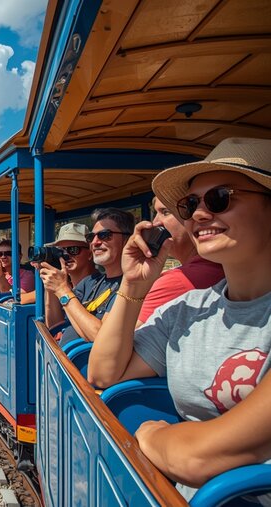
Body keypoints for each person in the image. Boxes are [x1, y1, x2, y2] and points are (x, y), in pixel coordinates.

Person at [87, 138, 271, 499]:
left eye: (220, 198)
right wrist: (134, 285)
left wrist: (151, 436)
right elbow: (104, 372)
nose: (199, 215)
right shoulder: (189, 309)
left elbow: (197, 459)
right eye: (189, 205)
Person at [43, 209, 134, 346]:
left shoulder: (130, 286)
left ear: (127, 240)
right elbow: (57, 325)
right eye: (92, 237)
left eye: (104, 235)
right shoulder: (90, 283)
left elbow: (101, 337)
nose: (95, 242)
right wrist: (52, 285)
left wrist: (62, 289)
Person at [134, 196, 225, 325]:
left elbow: (113, 341)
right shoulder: (223, 267)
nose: (155, 223)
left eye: (166, 212)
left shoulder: (178, 280)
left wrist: (131, 284)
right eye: (155, 213)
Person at [31, 222, 97, 322]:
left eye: (73, 250)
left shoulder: (100, 286)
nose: (65, 255)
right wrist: (51, 287)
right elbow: (54, 327)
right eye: (61, 251)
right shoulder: (64, 284)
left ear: (90, 253)